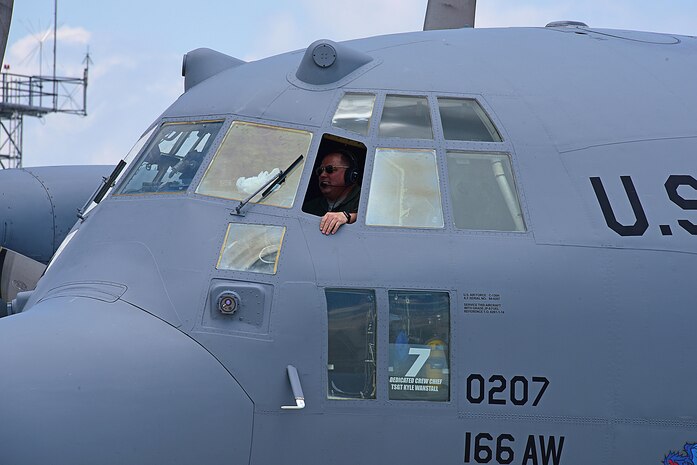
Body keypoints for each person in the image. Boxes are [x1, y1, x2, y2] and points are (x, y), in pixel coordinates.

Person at [304, 150, 360, 235]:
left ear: (349, 175)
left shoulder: (366, 200)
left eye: (329, 169)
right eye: (320, 171)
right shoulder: (309, 207)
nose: (322, 175)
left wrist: (348, 217)